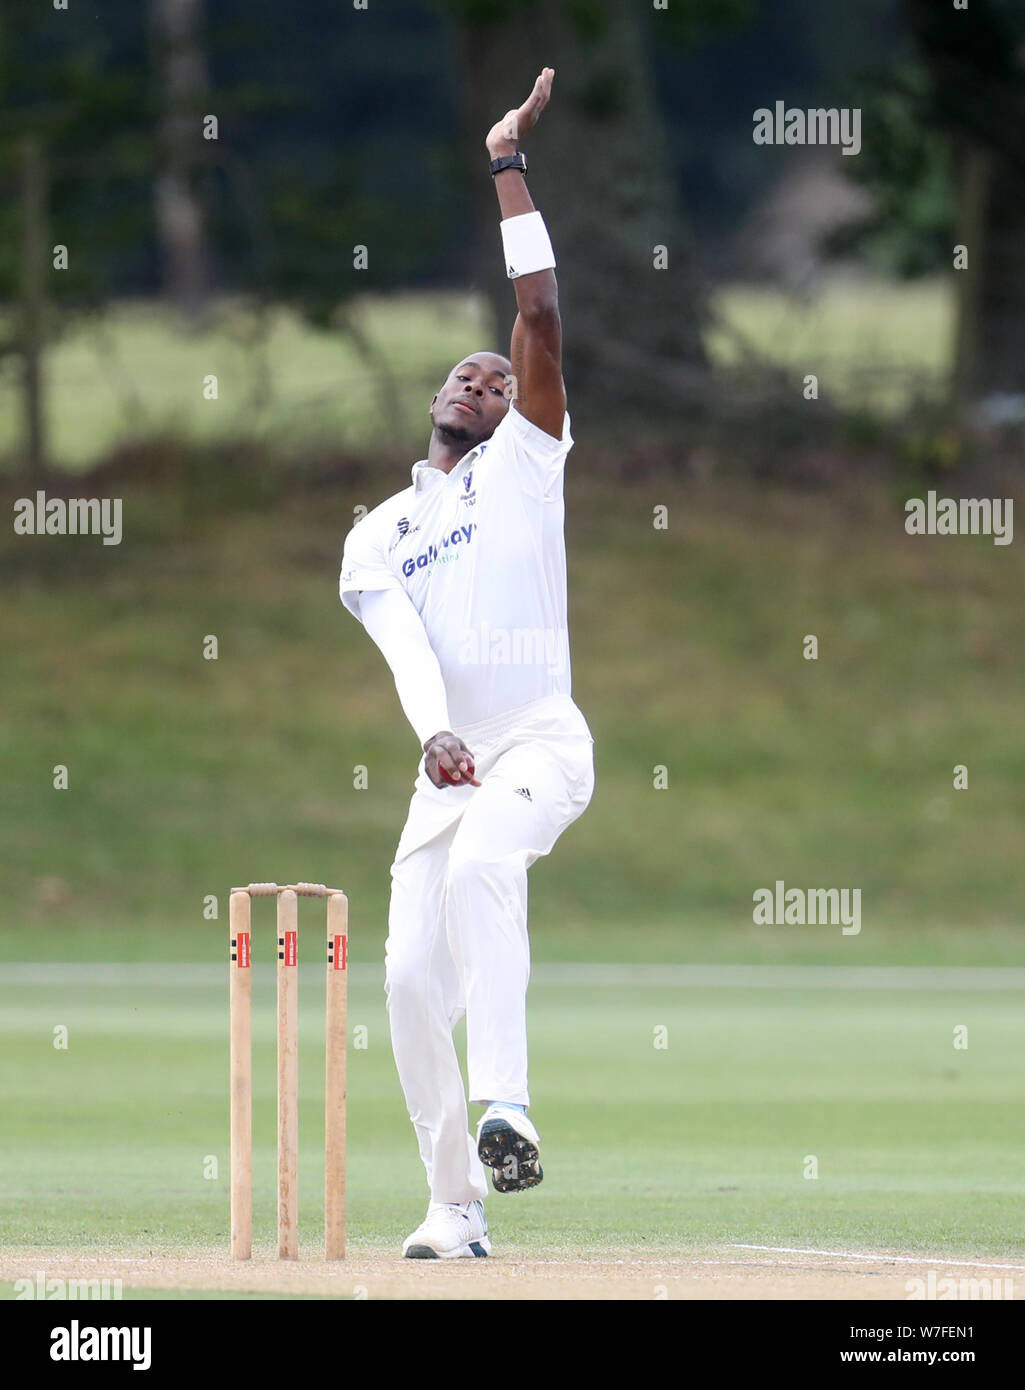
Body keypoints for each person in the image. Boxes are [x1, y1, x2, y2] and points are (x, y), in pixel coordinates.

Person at [339, 67, 594, 1259]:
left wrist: (505, 162)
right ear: (436, 399)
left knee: (495, 856)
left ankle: (510, 1106)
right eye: (465, 375)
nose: (482, 379)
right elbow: (400, 645)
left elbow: (536, 315)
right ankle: (454, 1202)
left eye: (496, 380)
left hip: (538, 742)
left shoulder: (525, 465)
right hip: (443, 766)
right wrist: (428, 734)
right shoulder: (374, 535)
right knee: (398, 983)